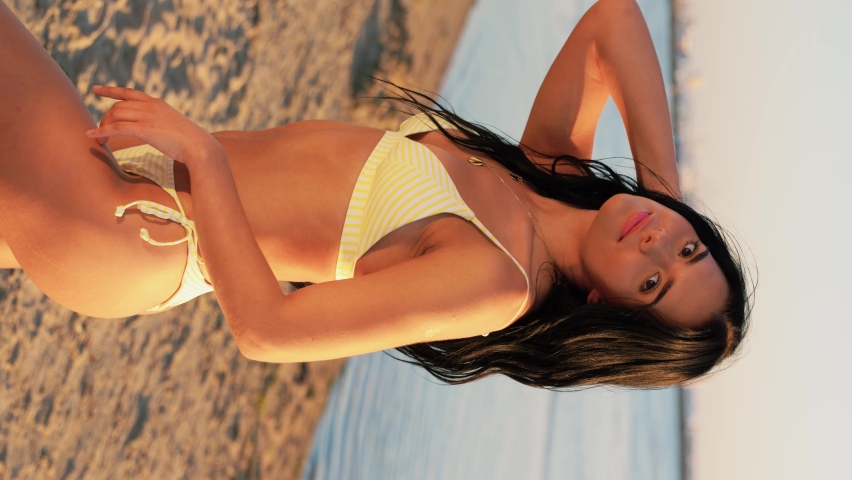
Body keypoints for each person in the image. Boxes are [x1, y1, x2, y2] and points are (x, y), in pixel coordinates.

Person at [0, 0, 750, 389]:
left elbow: (267, 331)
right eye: (688, 249)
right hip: (134, 181)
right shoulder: (547, 174)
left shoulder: (497, 282)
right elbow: (613, 21)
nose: (657, 246)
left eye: (652, 283)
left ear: (605, 312)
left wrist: (203, 155)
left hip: (133, 226)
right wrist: (666, 203)